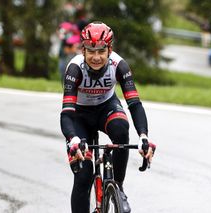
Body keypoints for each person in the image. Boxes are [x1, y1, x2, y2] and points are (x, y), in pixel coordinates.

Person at [60, 21, 155, 213]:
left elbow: (135, 104)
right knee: (84, 176)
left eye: (101, 51)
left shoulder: (119, 65)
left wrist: (143, 136)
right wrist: (73, 139)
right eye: (91, 51)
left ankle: (118, 187)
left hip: (106, 108)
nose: (96, 57)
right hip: (80, 116)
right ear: (83, 50)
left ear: (109, 50)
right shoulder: (74, 68)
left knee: (121, 128)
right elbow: (67, 113)